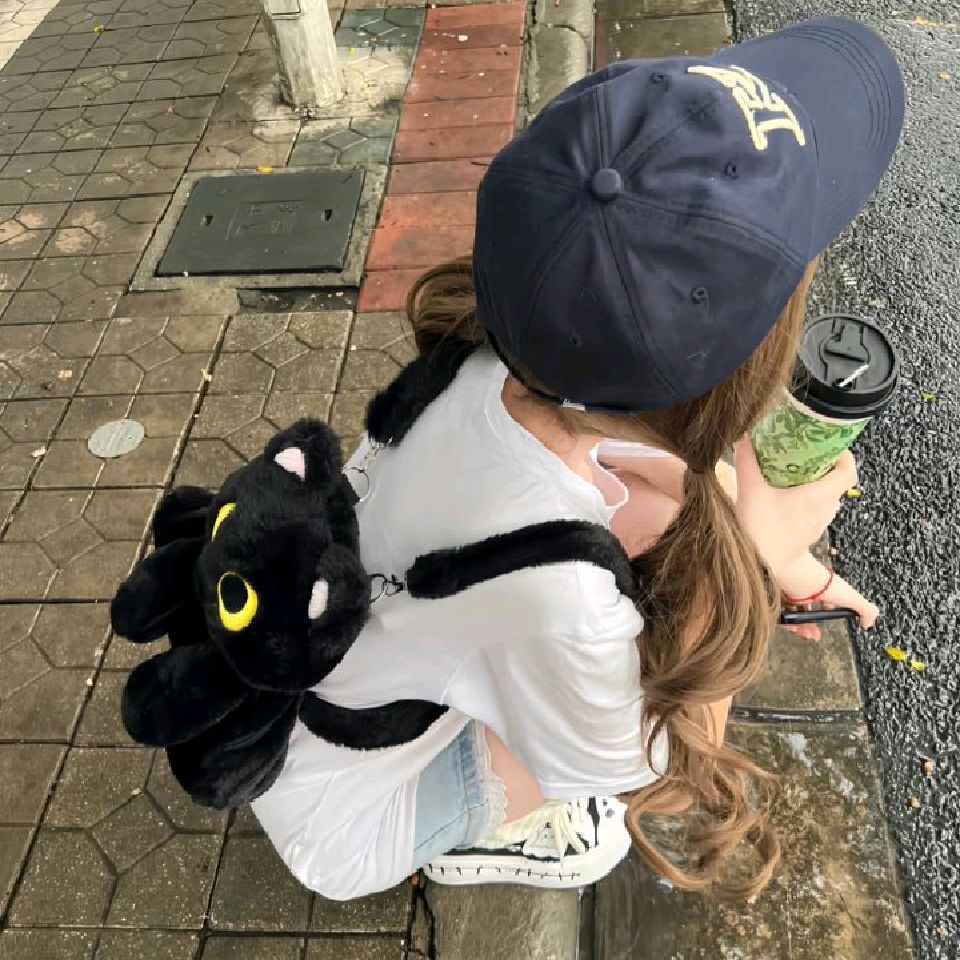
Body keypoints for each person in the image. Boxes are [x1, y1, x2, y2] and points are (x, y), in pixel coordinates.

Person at [252, 16, 904, 902]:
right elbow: (660, 764)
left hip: (304, 674)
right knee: (604, 797)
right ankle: (492, 833)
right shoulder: (556, 594)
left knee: (661, 534)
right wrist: (751, 570)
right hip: (343, 817)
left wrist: (777, 555)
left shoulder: (502, 355)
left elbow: (664, 483)